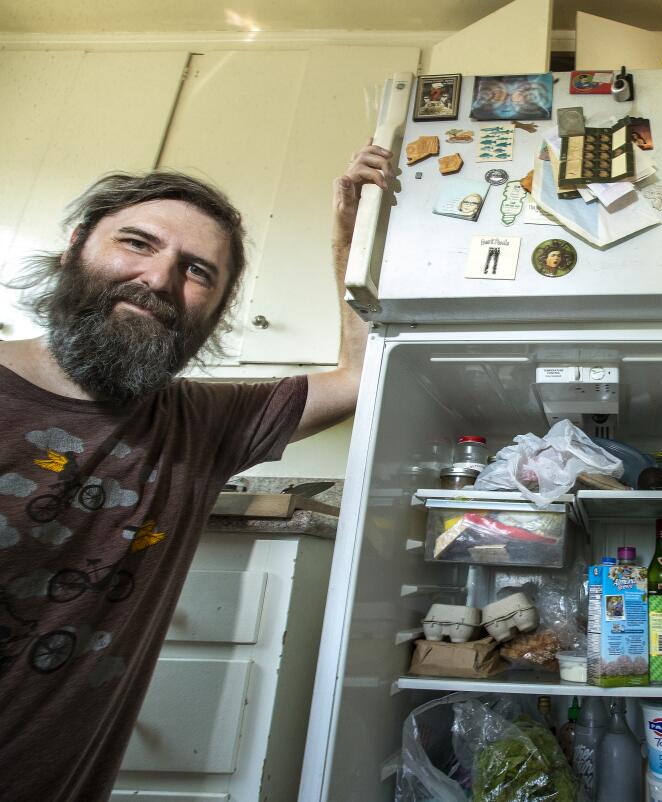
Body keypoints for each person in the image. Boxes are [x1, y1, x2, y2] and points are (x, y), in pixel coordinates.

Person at [0, 140, 393, 799]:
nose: (158, 280)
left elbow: (358, 376)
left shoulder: (201, 425)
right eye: (136, 243)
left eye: (197, 272)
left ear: (213, 313)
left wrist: (357, 245)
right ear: (75, 246)